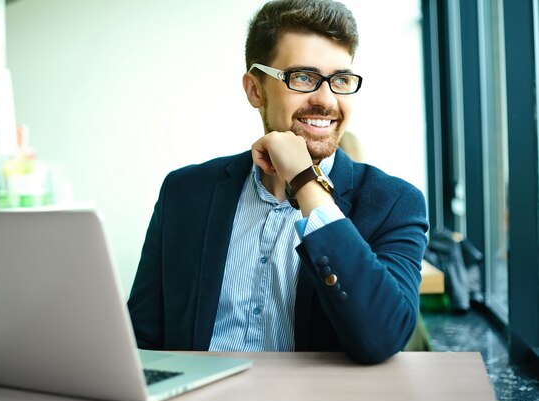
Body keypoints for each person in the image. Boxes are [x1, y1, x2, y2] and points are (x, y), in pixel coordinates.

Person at [128, 0, 429, 364]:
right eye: (302, 78)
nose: (326, 100)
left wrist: (305, 181)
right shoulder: (184, 193)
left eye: (341, 80)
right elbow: (140, 339)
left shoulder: (395, 203)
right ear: (255, 90)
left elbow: (383, 337)